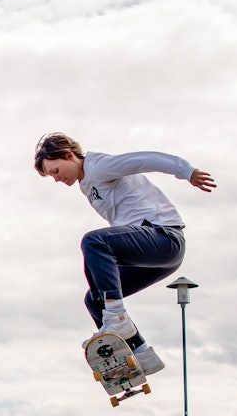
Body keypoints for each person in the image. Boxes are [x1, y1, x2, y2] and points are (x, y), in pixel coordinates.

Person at [34, 132, 216, 375]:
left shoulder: (99, 166)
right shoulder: (86, 184)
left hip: (165, 237)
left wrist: (186, 171)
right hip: (152, 256)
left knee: (94, 242)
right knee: (94, 298)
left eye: (56, 171)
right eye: (52, 177)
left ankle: (116, 317)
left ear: (69, 156)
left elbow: (143, 160)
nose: (57, 179)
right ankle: (141, 354)